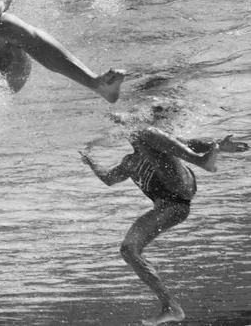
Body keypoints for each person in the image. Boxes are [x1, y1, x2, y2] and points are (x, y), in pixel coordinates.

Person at [79, 128, 249, 325]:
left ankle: (203, 161)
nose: (128, 133)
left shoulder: (153, 137)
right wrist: (90, 161)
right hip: (170, 207)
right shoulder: (129, 161)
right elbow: (109, 179)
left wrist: (218, 145)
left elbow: (187, 144)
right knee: (128, 250)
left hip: (181, 189)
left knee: (145, 133)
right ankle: (170, 306)